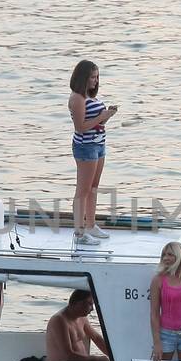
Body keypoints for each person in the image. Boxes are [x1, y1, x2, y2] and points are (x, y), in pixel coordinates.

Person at [68, 60, 116, 245]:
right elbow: (80, 127)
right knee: (83, 191)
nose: (96, 81)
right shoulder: (77, 98)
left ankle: (91, 225)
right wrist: (100, 117)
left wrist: (106, 117)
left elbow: (95, 124)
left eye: (97, 77)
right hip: (85, 147)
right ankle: (79, 234)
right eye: (92, 77)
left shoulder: (89, 96)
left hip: (98, 144)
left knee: (94, 188)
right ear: (83, 77)